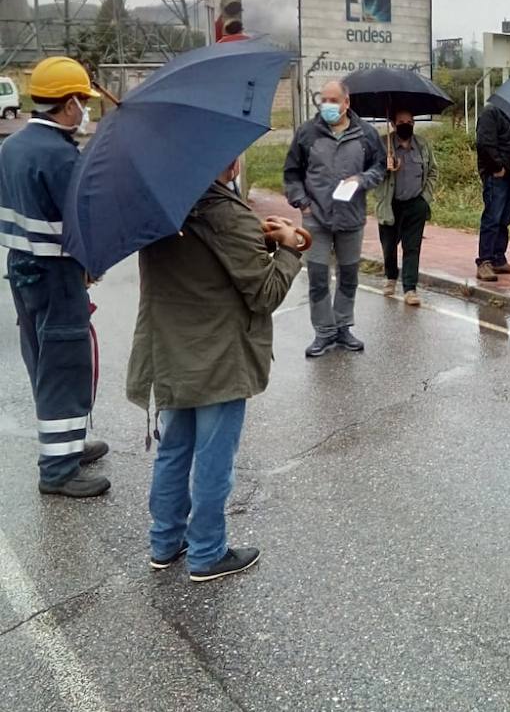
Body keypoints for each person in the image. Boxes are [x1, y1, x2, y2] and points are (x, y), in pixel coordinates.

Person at [127, 161, 304, 581]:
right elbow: (264, 294)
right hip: (219, 357)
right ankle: (207, 552)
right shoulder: (223, 212)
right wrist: (291, 248)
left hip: (169, 351)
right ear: (226, 156)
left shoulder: (156, 207)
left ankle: (165, 542)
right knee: (213, 460)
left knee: (174, 450)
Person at [0, 56, 109, 498]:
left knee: (42, 358)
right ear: (67, 104)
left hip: (21, 267)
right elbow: (82, 224)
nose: (84, 109)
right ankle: (59, 470)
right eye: (82, 101)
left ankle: (68, 444)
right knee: (64, 364)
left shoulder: (13, 145)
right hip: (56, 271)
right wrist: (92, 265)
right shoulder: (61, 156)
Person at [284, 80, 386, 357]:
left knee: (349, 275)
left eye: (333, 100)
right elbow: (292, 173)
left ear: (346, 102)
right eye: (324, 100)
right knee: (318, 277)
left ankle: (343, 327)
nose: (327, 105)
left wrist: (363, 179)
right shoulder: (307, 133)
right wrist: (301, 203)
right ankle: (323, 332)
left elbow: (379, 167)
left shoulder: (366, 134)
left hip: (351, 218)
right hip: (315, 219)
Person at [376, 110, 437, 306]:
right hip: (390, 204)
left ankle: (410, 288)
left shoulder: (422, 145)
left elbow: (433, 171)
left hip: (415, 204)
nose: (406, 124)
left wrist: (425, 198)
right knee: (389, 246)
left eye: (410, 121)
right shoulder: (382, 145)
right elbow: (368, 173)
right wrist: (384, 167)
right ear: (393, 124)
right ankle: (390, 276)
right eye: (401, 121)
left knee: (412, 247)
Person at [475, 103, 510, 282]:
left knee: (504, 219)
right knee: (492, 218)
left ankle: (498, 259)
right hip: (497, 174)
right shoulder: (491, 112)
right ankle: (484, 262)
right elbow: (484, 143)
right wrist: (497, 166)